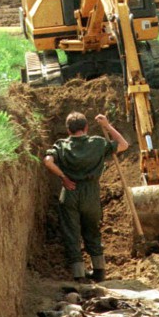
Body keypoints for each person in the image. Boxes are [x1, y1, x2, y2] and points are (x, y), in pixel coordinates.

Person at [43, 111, 128, 282]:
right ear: (86, 127)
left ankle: (79, 274)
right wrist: (107, 126)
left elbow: (47, 161)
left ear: (68, 130)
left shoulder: (61, 145)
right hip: (91, 193)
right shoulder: (97, 143)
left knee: (72, 233)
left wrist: (63, 177)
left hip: (70, 192)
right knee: (93, 231)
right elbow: (123, 145)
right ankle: (99, 271)